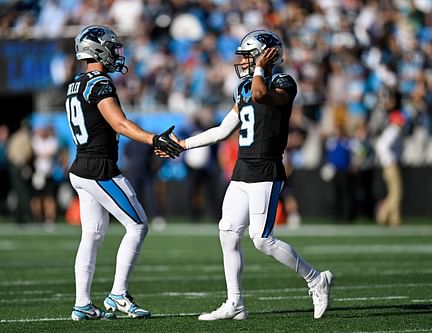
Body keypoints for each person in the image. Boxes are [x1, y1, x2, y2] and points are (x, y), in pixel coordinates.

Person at [174, 30, 333, 320]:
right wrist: (183, 144)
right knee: (228, 233)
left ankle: (315, 279)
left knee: (262, 239)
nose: (243, 61)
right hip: (242, 169)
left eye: (249, 55)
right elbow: (223, 130)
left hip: (266, 169)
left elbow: (262, 94)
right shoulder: (244, 87)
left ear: (266, 55)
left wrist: (260, 67)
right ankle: (235, 303)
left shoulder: (283, 82)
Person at [65, 25, 182, 321]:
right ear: (97, 50)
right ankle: (118, 293)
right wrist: (154, 138)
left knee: (91, 235)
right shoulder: (99, 83)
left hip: (81, 166)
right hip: (99, 170)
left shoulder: (76, 83)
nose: (117, 53)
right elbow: (119, 124)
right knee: (138, 225)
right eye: (111, 47)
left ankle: (82, 304)